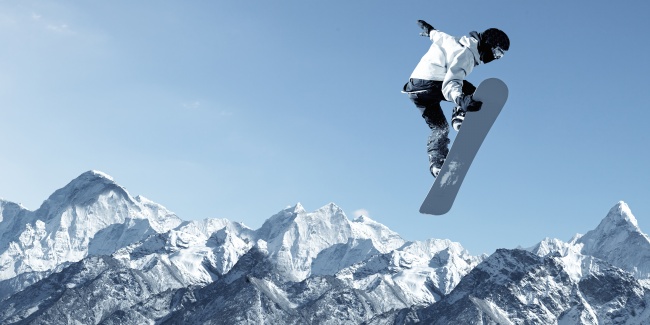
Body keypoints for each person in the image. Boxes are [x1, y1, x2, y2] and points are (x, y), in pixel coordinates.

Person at [403, 20, 510, 177]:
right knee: (474, 92)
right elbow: (452, 82)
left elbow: (438, 36)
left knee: (439, 128)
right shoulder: (466, 53)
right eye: (497, 52)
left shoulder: (452, 40)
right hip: (432, 82)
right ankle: (461, 114)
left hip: (416, 90)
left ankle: (437, 162)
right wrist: (461, 100)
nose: (496, 57)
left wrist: (430, 31)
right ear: (488, 44)